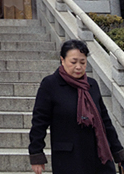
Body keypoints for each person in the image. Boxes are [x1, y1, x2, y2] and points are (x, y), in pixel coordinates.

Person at [29, 39, 124, 174]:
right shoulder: (50, 85)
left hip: (99, 156)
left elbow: (105, 121)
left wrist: (119, 153)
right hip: (69, 158)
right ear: (62, 60)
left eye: (83, 62)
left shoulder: (92, 85)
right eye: (73, 62)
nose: (78, 66)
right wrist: (36, 155)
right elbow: (39, 122)